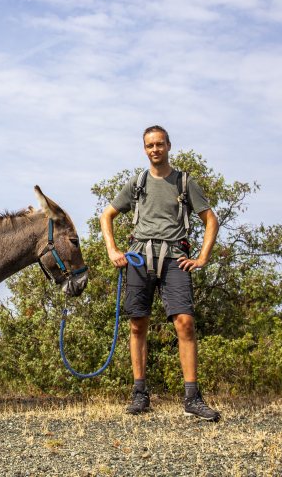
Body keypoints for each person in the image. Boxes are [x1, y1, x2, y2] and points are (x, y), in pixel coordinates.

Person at [99, 125, 220, 421]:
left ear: (169, 146)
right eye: (150, 145)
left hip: (175, 258)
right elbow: (107, 215)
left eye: (159, 144)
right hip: (139, 257)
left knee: (185, 323)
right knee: (137, 325)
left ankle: (192, 398)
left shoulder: (184, 182)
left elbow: (210, 219)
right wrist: (112, 250)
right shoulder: (137, 183)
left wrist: (202, 258)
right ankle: (140, 394)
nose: (155, 149)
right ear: (145, 149)